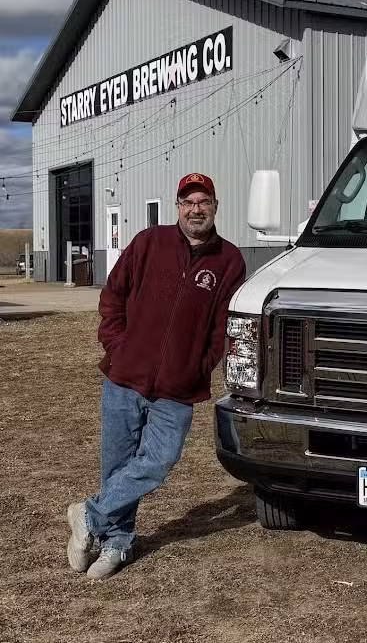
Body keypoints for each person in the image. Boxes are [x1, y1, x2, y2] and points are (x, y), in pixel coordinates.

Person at [66, 172, 246, 580]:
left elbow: (222, 327)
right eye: (188, 202)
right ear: (177, 207)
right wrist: (117, 345)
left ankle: (88, 515)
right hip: (124, 377)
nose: (195, 209)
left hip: (177, 389)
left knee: (159, 460)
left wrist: (200, 367)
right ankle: (117, 543)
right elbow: (114, 294)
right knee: (118, 465)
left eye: (203, 202)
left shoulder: (229, 260)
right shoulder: (149, 242)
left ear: (215, 207)